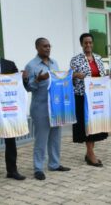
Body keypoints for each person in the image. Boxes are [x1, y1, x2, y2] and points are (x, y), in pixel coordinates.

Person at [24, 37, 70, 180]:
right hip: (41, 108)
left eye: (49, 46)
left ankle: (54, 164)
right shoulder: (31, 66)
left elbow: (58, 81)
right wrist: (38, 80)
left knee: (55, 137)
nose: (48, 48)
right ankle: (38, 168)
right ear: (37, 48)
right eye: (44, 46)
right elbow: (28, 88)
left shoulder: (54, 63)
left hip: (55, 107)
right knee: (41, 139)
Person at [70, 33, 108, 167]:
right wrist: (75, 75)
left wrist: (108, 77)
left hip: (97, 98)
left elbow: (102, 75)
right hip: (82, 97)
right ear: (81, 44)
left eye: (90, 42)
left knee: (95, 125)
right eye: (85, 43)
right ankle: (90, 154)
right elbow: (70, 76)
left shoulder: (98, 58)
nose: (88, 45)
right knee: (86, 126)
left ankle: (89, 152)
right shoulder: (76, 60)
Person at [0, 53, 26, 180]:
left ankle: (12, 170)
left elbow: (19, 83)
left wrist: (23, 77)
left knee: (10, 140)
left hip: (6, 108)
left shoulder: (9, 64)